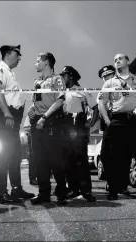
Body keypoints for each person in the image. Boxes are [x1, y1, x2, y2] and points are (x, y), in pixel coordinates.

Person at [98, 53, 136, 200]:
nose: (117, 61)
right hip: (118, 121)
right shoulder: (109, 83)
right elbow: (101, 103)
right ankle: (114, 190)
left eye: (120, 59)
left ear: (127, 61)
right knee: (116, 157)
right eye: (115, 60)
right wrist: (107, 121)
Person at [0, 45, 35, 204]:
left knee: (15, 154)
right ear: (8, 54)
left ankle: (16, 189)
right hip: (4, 115)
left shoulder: (9, 72)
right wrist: (7, 113)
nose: (19, 58)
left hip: (12, 117)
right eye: (17, 54)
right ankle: (0, 193)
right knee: (4, 155)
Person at [28, 52, 68, 205]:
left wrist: (44, 117)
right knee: (39, 160)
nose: (35, 63)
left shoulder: (57, 79)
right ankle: (44, 193)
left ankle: (62, 193)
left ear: (46, 63)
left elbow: (60, 100)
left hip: (51, 122)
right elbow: (36, 102)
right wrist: (31, 112)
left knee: (55, 160)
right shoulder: (37, 82)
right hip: (37, 123)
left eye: (38, 61)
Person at [60, 66, 97, 202]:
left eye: (63, 76)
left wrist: (91, 123)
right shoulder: (61, 92)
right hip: (65, 125)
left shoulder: (83, 91)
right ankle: (73, 190)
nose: (61, 79)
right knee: (68, 161)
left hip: (79, 125)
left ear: (70, 76)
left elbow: (95, 107)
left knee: (81, 161)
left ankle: (86, 191)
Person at [97, 65, 130, 195]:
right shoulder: (103, 91)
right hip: (108, 125)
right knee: (106, 155)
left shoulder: (121, 87)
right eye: (104, 77)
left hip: (121, 122)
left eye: (109, 75)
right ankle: (111, 182)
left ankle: (122, 185)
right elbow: (99, 107)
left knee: (123, 155)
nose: (106, 78)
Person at [23, 116, 37, 185]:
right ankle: (32, 178)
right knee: (33, 157)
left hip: (42, 135)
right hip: (33, 135)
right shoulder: (32, 110)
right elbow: (26, 127)